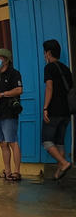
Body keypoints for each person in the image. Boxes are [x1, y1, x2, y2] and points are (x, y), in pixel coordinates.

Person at [0, 47, 24, 181]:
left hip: (10, 113)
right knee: (3, 143)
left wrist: (2, 94)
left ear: (6, 60)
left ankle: (17, 171)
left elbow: (19, 90)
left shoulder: (14, 74)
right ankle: (7, 171)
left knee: (12, 142)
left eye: (0, 58)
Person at [41, 38, 72, 181]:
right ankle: (59, 172)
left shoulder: (49, 67)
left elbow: (49, 87)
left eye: (44, 52)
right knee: (59, 141)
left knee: (47, 141)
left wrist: (46, 108)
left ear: (48, 53)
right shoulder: (66, 69)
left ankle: (64, 163)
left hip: (54, 111)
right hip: (66, 112)